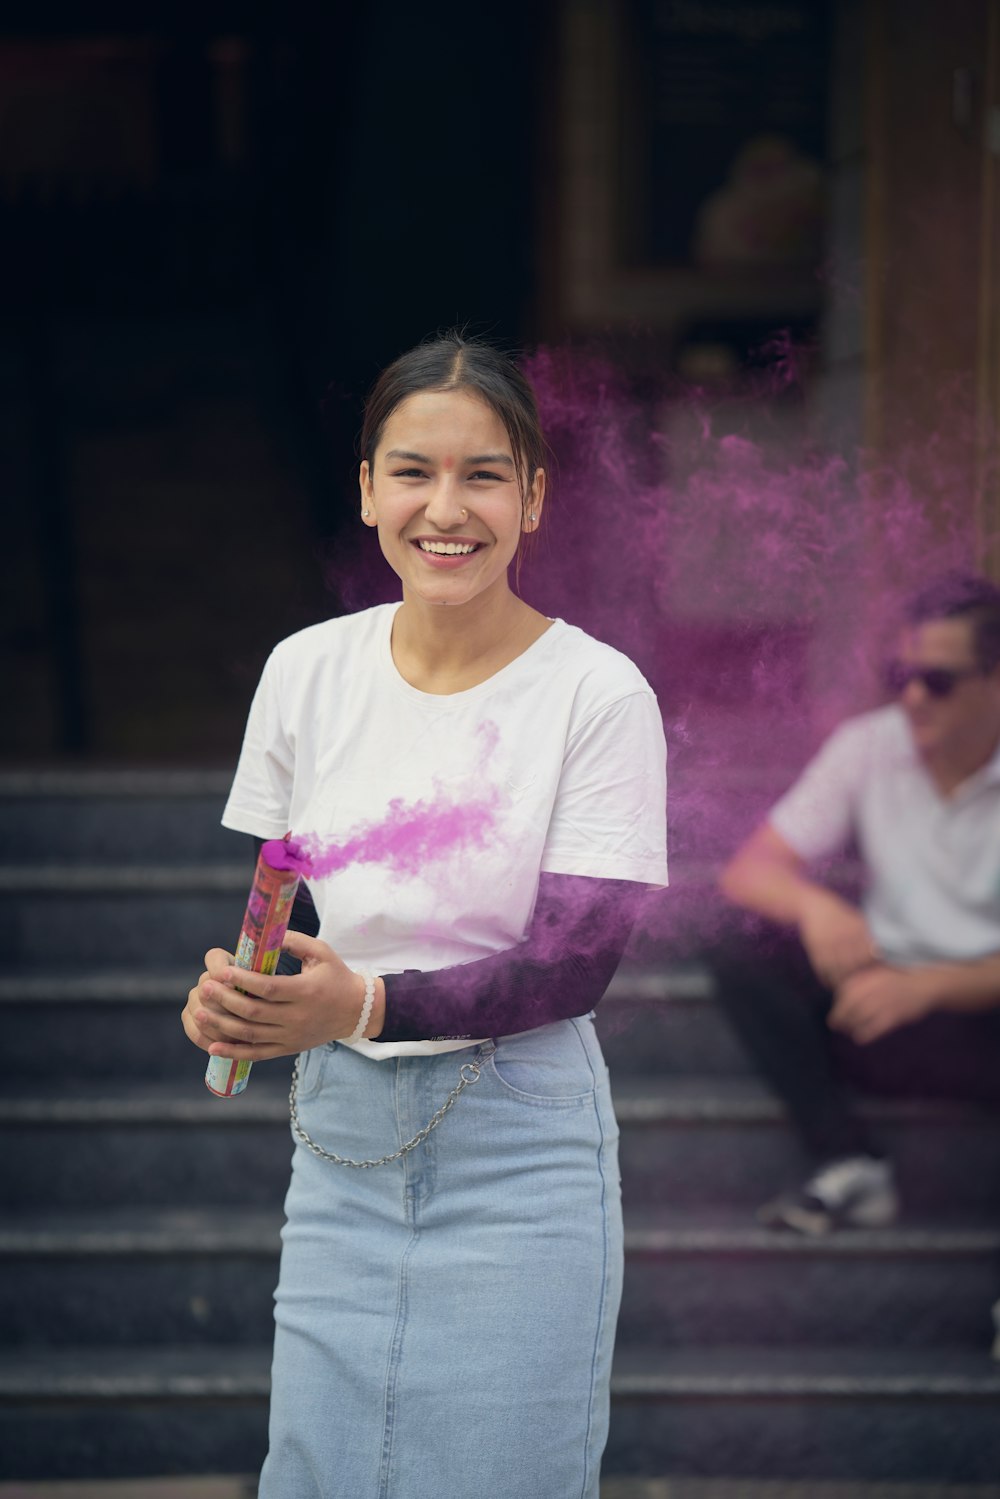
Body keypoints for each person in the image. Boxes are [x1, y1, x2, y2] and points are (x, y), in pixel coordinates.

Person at [181, 331, 668, 1499]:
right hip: (341, 1133)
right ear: (366, 488)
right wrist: (239, 996)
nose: (444, 508)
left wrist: (363, 998)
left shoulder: (597, 692)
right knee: (317, 1469)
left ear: (534, 496)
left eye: (484, 473)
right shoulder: (306, 669)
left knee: (503, 1470)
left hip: (519, 1132)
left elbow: (576, 963)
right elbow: (278, 888)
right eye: (412, 470)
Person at [709, 571, 1000, 1234]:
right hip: (879, 1013)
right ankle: (849, 1162)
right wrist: (818, 908)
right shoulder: (871, 744)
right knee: (741, 944)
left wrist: (931, 987)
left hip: (984, 1017)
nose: (915, 697)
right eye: (901, 675)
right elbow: (749, 871)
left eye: (940, 680)